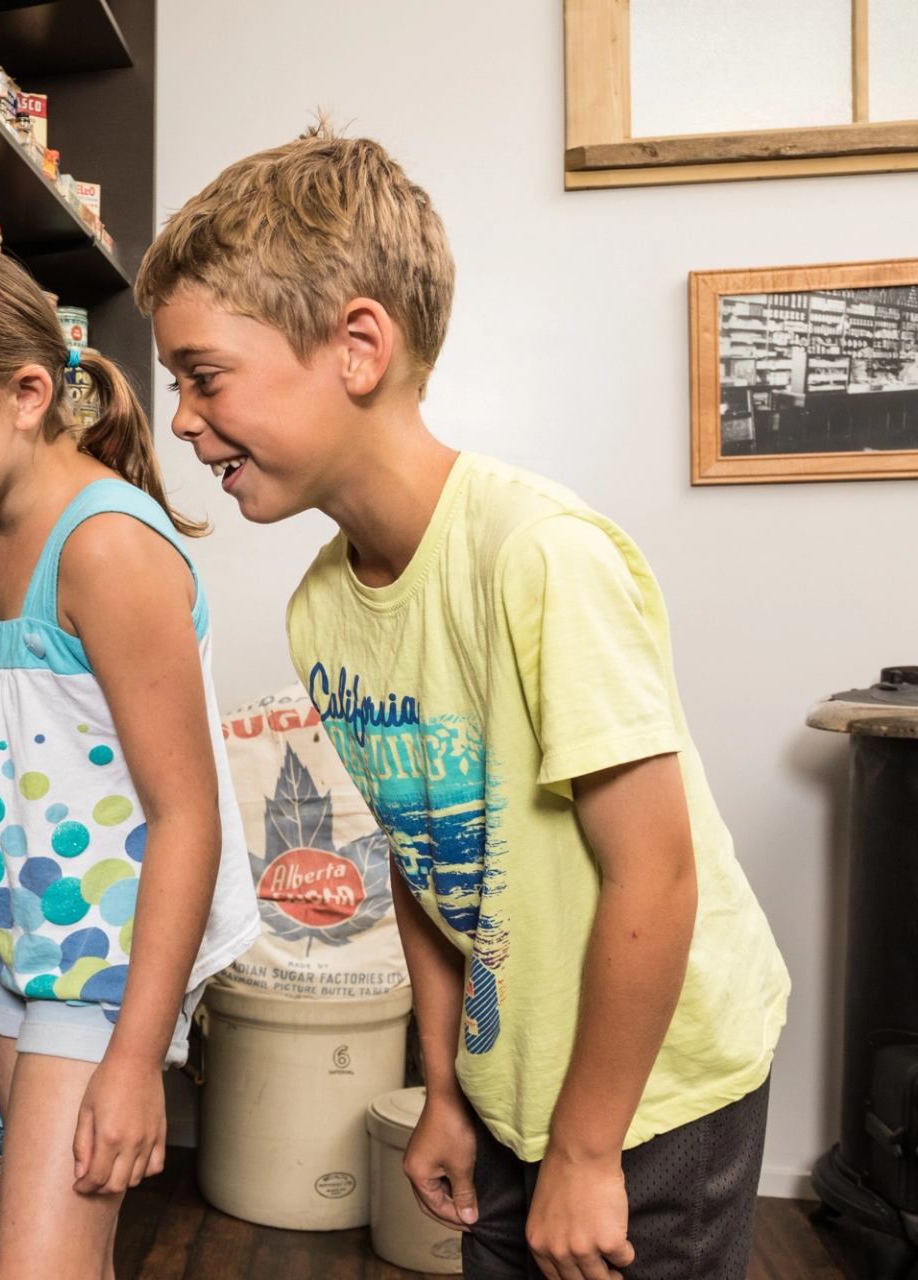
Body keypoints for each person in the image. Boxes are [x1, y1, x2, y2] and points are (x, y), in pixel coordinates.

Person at [137, 122, 790, 1280]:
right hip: (507, 1084)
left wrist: (588, 1150)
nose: (182, 416)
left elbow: (659, 871)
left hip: (658, 1088)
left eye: (204, 373)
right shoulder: (319, 611)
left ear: (357, 345)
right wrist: (441, 1088)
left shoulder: (540, 555)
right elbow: (417, 850)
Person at [0, 245, 259, 1280]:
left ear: (29, 393)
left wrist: (135, 1058)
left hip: (109, 962)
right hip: (27, 941)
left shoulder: (105, 548)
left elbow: (187, 814)